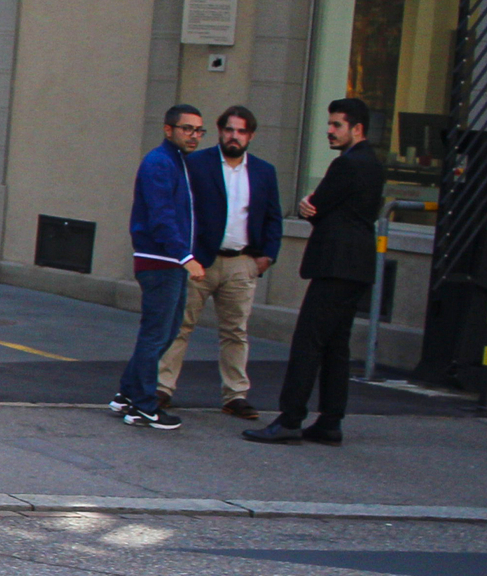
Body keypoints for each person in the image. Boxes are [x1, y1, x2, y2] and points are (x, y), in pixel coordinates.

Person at [246, 98, 386, 447]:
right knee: (336, 345)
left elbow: (316, 206)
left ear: (357, 128)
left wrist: (312, 207)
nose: (329, 130)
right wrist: (315, 207)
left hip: (335, 263)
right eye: (330, 124)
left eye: (337, 125)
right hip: (357, 265)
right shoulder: (374, 163)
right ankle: (330, 420)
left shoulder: (348, 165)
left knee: (308, 341)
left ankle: (291, 417)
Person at [156, 104, 282, 419]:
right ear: (221, 131)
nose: (234, 136)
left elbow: (273, 216)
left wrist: (266, 257)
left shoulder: (264, 172)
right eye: (228, 130)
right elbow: (180, 207)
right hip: (200, 260)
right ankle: (162, 388)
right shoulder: (197, 163)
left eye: (241, 131)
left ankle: (235, 395)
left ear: (250, 136)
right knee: (180, 326)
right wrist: (184, 254)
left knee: (236, 331)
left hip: (242, 261)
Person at [110, 103, 205, 430]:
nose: (194, 136)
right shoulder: (160, 163)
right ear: (169, 130)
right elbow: (162, 216)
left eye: (198, 130)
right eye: (187, 129)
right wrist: (185, 256)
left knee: (164, 332)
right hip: (160, 261)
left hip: (169, 261)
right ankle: (144, 406)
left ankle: (128, 394)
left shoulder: (177, 163)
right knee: (157, 333)